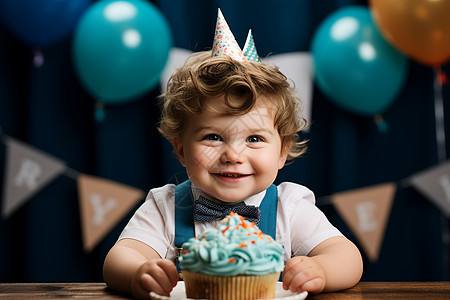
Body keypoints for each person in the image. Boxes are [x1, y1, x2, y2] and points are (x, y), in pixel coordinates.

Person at [103, 10, 363, 300]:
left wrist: (321, 270)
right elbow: (120, 257)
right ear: (180, 149)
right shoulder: (165, 207)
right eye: (212, 137)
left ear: (282, 151)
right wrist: (139, 272)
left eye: (254, 139)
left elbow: (347, 256)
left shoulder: (288, 208)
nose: (232, 155)